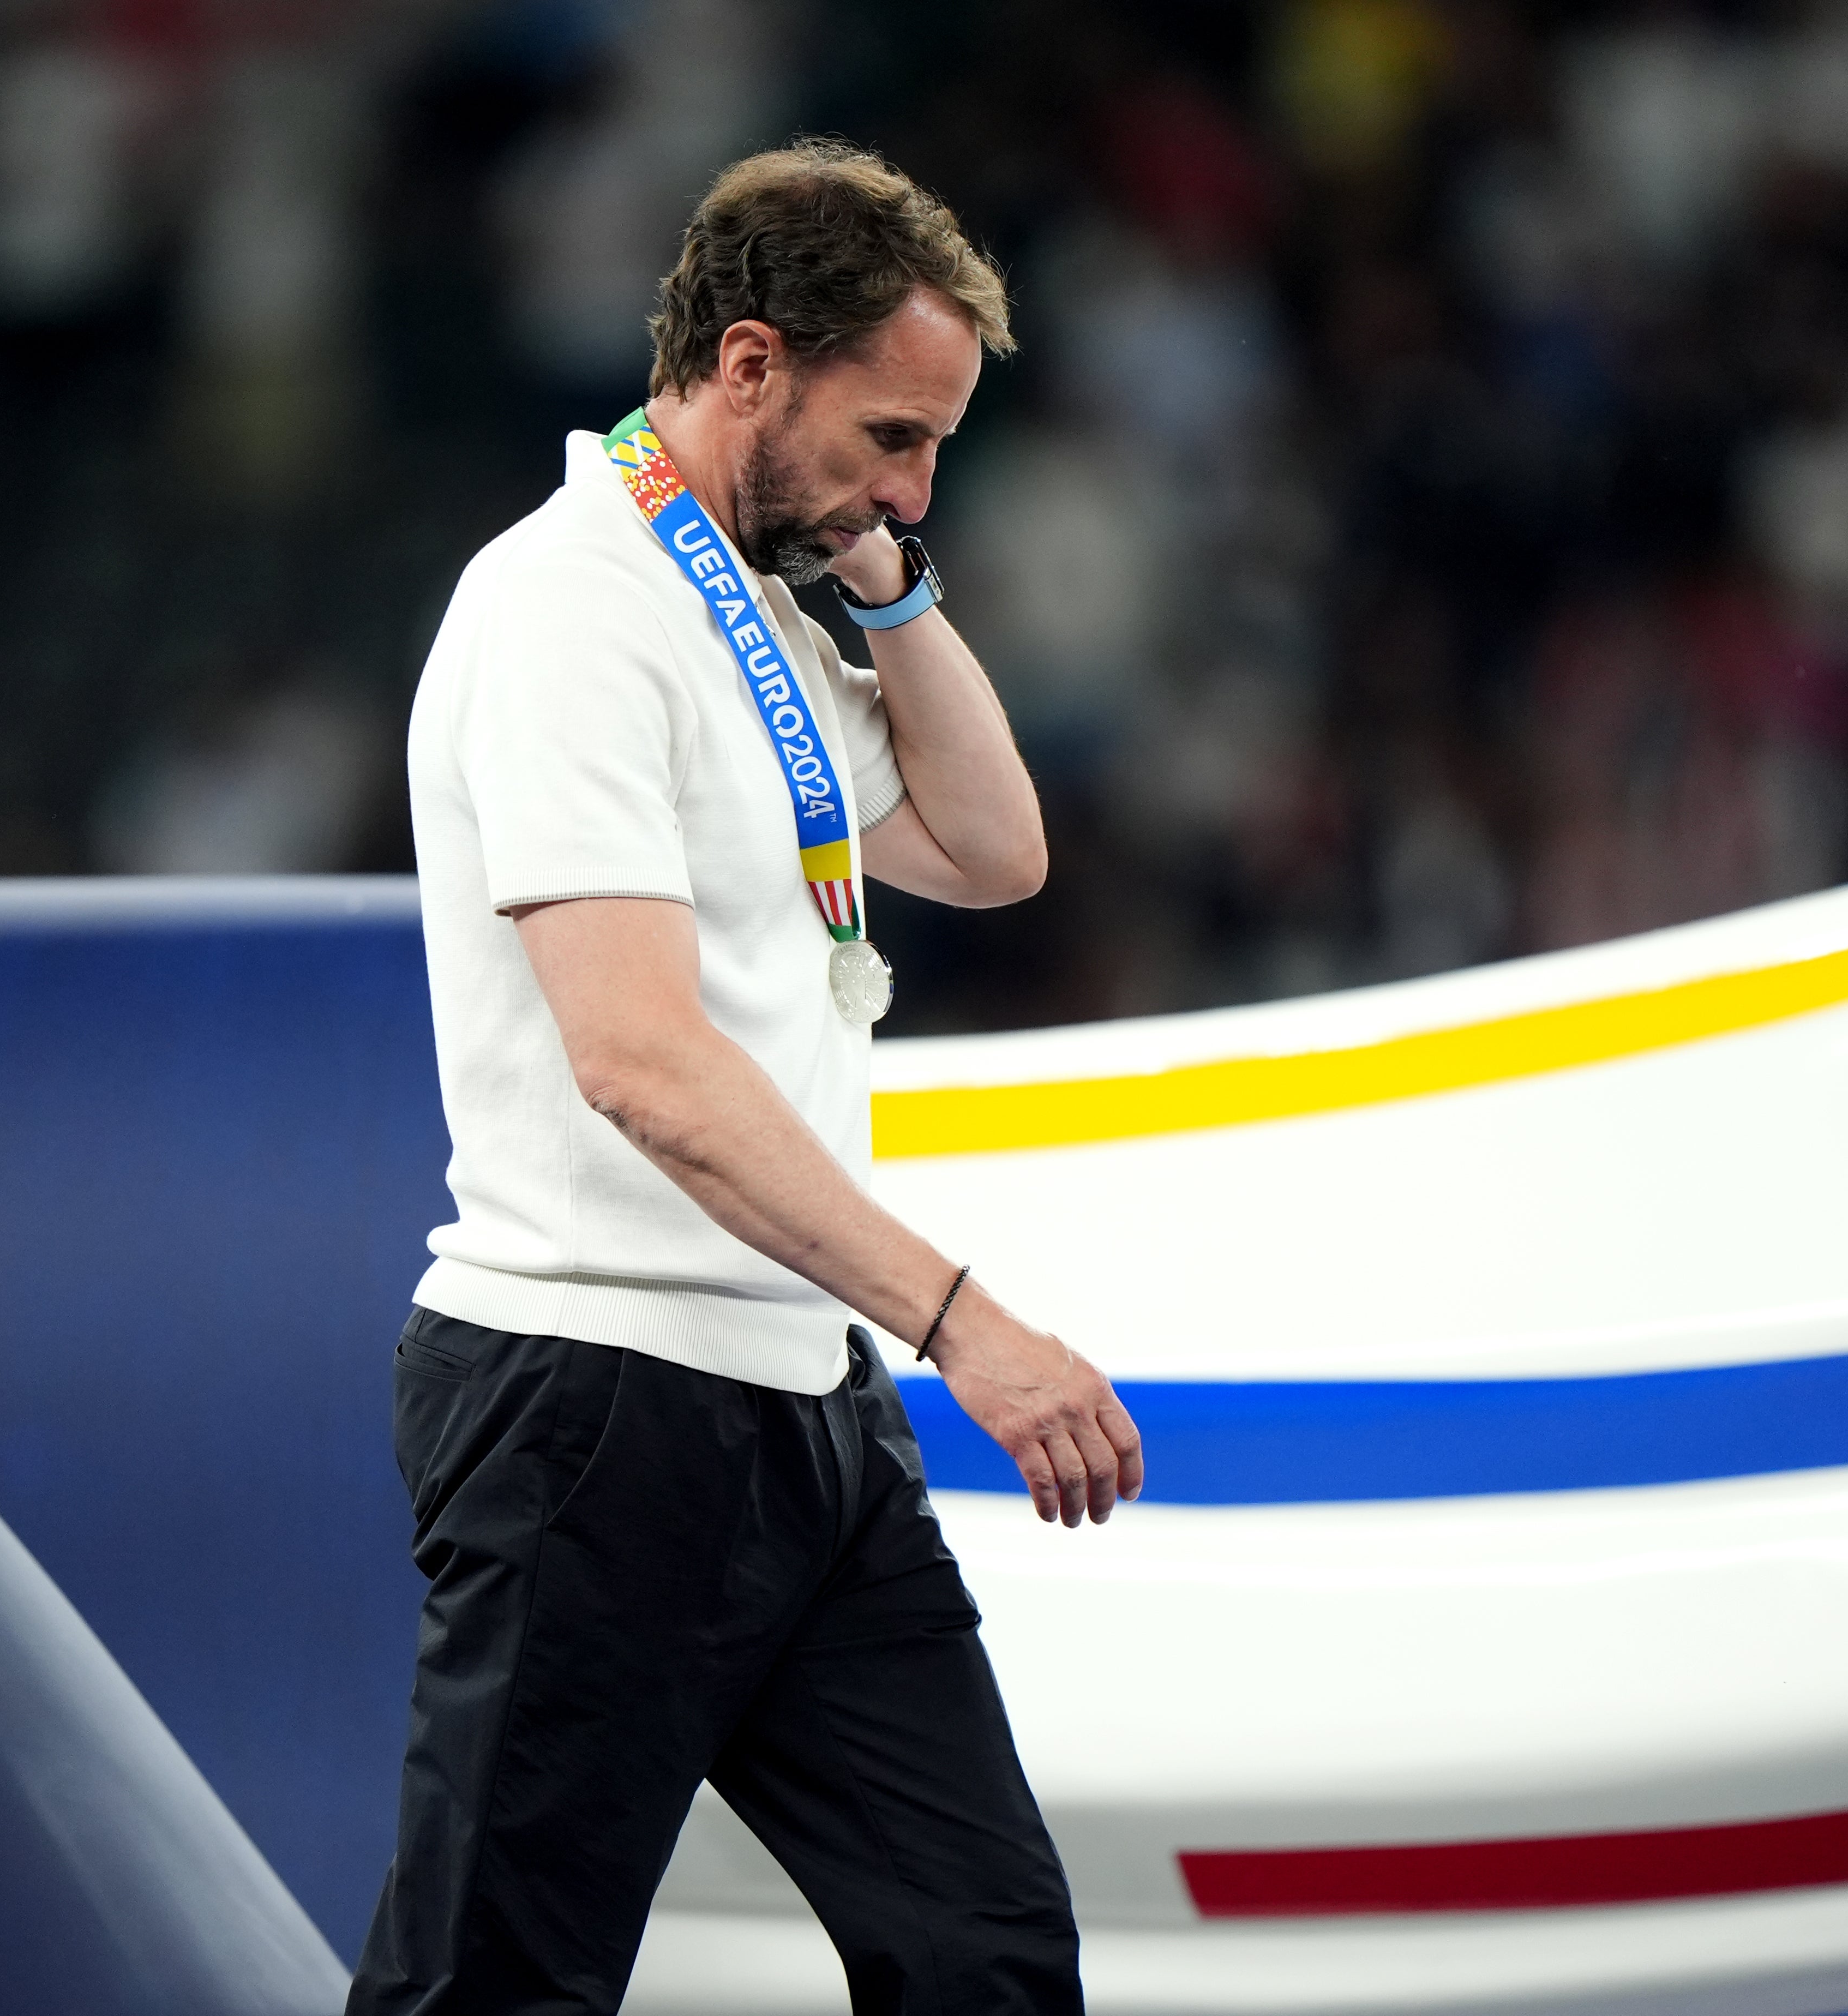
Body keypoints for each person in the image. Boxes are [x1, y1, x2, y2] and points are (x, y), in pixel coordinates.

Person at [353, 140, 1144, 2016]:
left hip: (801, 1405)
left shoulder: (761, 599)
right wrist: (967, 1325)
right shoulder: (568, 610)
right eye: (892, 438)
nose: (913, 487)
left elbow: (992, 847)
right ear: (750, 365)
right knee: (492, 1990)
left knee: (986, 1959)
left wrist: (890, 584)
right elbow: (640, 1062)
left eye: (939, 447)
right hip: (590, 1401)